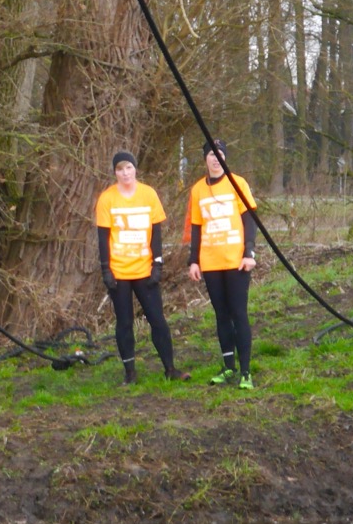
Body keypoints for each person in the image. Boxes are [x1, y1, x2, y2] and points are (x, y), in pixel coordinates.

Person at [95, 151, 187, 383]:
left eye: (129, 168)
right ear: (115, 172)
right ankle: (130, 373)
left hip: (145, 270)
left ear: (135, 169)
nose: (125, 173)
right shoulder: (107, 199)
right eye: (120, 169)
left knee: (157, 319)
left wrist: (158, 264)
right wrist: (106, 269)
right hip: (119, 272)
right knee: (124, 322)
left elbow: (156, 233)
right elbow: (103, 238)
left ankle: (170, 369)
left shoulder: (148, 194)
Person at [187, 140, 258, 390]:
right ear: (205, 159)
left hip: (236, 261)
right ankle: (229, 367)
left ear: (225, 158)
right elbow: (196, 227)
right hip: (210, 262)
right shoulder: (198, 189)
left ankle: (246, 371)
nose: (216, 159)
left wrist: (249, 252)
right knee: (221, 315)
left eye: (220, 154)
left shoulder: (238, 183)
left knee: (238, 313)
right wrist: (193, 260)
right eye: (211, 155)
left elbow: (249, 220)